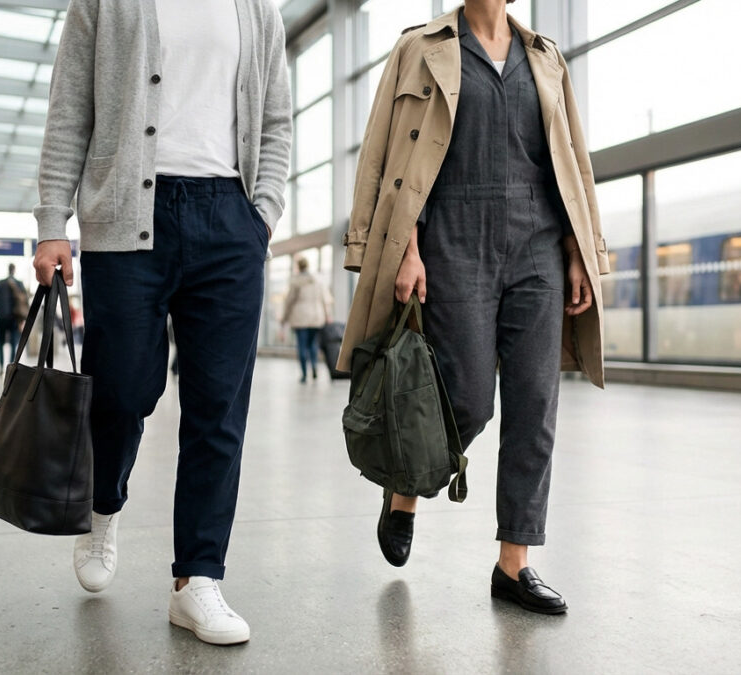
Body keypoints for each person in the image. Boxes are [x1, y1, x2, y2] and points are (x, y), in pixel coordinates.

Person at [30, 0, 291, 645]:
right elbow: (70, 109)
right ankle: (104, 502)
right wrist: (50, 223)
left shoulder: (258, 9)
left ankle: (197, 579)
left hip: (230, 219)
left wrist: (263, 214)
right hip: (125, 221)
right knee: (121, 389)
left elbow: (278, 119)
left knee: (218, 408)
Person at [338, 0, 611, 615]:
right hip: (452, 241)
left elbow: (570, 163)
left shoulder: (545, 57)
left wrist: (577, 248)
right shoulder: (420, 48)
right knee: (463, 397)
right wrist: (402, 246)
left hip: (537, 244)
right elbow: (385, 155)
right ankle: (404, 488)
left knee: (535, 405)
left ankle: (514, 563)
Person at [280, 257, 332, 383]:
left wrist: (284, 318)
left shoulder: (296, 281)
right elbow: (326, 300)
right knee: (313, 344)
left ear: (299, 266)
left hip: (300, 317)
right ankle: (314, 367)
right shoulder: (318, 281)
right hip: (316, 316)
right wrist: (327, 315)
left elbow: (289, 302)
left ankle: (304, 375)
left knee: (302, 346)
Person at [0, 264, 27, 372]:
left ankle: (1, 366)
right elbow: (24, 301)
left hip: (1, 316)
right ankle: (11, 366)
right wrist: (23, 318)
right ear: (14, 270)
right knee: (13, 342)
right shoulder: (19, 284)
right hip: (14, 317)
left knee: (0, 342)